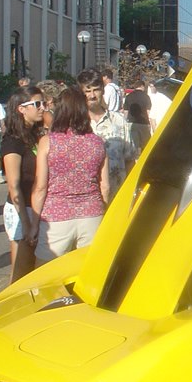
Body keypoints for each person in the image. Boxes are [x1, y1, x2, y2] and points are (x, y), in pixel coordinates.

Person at [30, 87, 109, 261]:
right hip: (91, 213)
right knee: (86, 270)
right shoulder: (97, 142)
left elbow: (40, 187)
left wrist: (34, 224)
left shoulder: (48, 142)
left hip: (56, 216)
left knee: (47, 275)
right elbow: (105, 185)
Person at [1, 86, 45, 283]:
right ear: (21, 109)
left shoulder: (36, 136)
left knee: (36, 270)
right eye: (37, 104)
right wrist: (26, 224)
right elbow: (14, 185)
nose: (42, 108)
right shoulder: (12, 141)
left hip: (34, 208)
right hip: (21, 210)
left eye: (43, 103)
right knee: (21, 272)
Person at [78, 68, 136, 200]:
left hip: (117, 197)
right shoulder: (76, 124)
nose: (92, 95)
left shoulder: (118, 121)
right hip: (87, 202)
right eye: (87, 91)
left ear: (103, 90)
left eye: (96, 90)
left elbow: (130, 160)